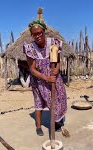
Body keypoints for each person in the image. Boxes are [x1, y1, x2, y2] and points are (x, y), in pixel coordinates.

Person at [23, 8, 67, 136]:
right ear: (32, 35)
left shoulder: (54, 43)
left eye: (40, 33)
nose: (37, 36)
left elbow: (57, 61)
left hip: (54, 77)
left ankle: (57, 122)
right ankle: (38, 126)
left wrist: (56, 71)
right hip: (39, 80)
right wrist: (45, 78)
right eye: (34, 34)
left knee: (59, 99)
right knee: (39, 102)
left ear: (44, 31)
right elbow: (32, 69)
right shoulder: (30, 48)